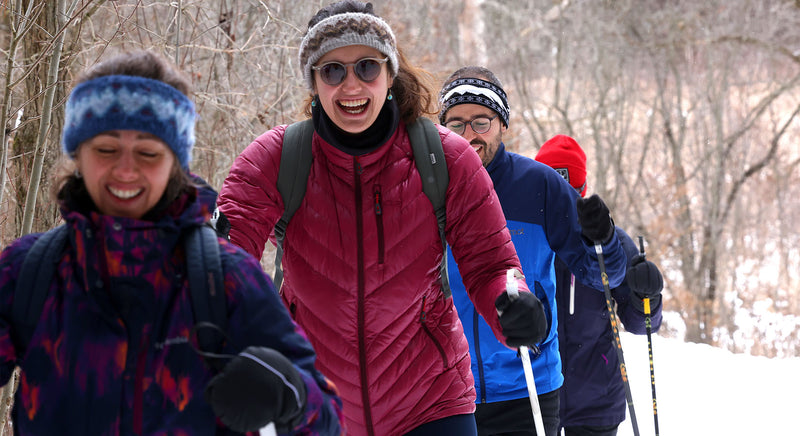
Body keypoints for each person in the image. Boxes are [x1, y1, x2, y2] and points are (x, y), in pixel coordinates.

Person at [216, 2, 548, 435]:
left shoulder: (444, 158)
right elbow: (226, 258)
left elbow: (491, 264)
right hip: (316, 404)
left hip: (431, 402)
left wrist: (512, 302)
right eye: (332, 70)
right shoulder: (278, 158)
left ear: (390, 75)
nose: (351, 85)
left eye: (367, 67)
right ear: (314, 83)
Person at [0, 50, 344, 435]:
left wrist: (289, 394)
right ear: (78, 154)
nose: (126, 169)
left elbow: (325, 417)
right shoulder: (29, 272)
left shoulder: (225, 280)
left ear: (175, 163)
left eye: (148, 153)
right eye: (106, 149)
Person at [438, 67, 629, 436]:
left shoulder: (538, 185)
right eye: (456, 123)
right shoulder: (426, 188)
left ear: (502, 123)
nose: (469, 134)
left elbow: (603, 276)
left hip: (527, 384)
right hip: (446, 387)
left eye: (481, 121)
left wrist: (603, 241)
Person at [535, 135, 664, 436]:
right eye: (553, 192)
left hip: (597, 401)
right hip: (535, 397)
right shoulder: (523, 237)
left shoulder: (612, 241)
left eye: (572, 191)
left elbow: (642, 323)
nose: (563, 202)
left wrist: (649, 296)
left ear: (583, 191)